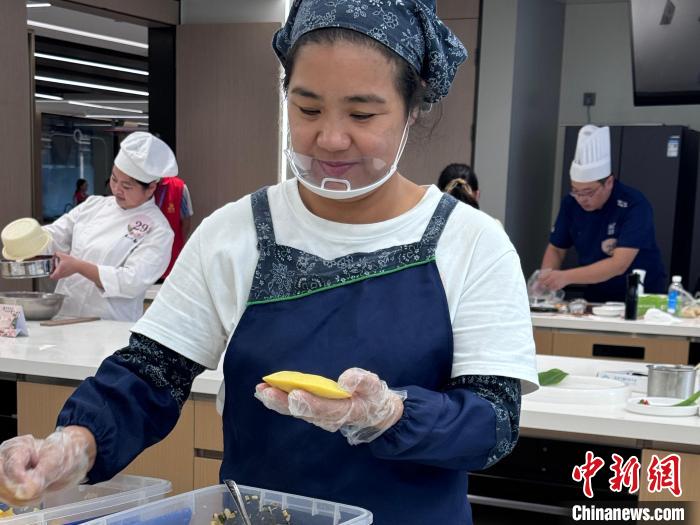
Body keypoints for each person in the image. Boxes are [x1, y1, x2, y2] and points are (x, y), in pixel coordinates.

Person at [0, 2, 538, 524]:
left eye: (362, 113)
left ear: (413, 106)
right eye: (307, 109)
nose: (330, 137)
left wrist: (385, 414)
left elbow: (493, 422)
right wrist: (76, 442)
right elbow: (150, 374)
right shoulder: (235, 232)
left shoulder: (472, 243)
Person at [42, 132, 175, 321]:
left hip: (109, 326)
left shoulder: (159, 230)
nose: (117, 190)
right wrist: (28, 240)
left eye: (127, 186)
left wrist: (79, 266)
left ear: (151, 188)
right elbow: (56, 235)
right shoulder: (93, 205)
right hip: (64, 317)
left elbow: (131, 282)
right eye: (114, 179)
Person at [539, 125, 666, 302]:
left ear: (609, 183)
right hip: (597, 294)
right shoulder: (570, 204)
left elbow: (618, 264)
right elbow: (556, 249)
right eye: (576, 190)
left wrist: (564, 277)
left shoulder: (634, 204)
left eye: (589, 192)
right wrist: (547, 279)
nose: (582, 199)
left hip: (641, 296)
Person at [154, 175, 194, 280]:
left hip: (171, 258)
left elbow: (186, 222)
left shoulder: (179, 187)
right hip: (144, 259)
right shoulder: (140, 184)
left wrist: (178, 244)